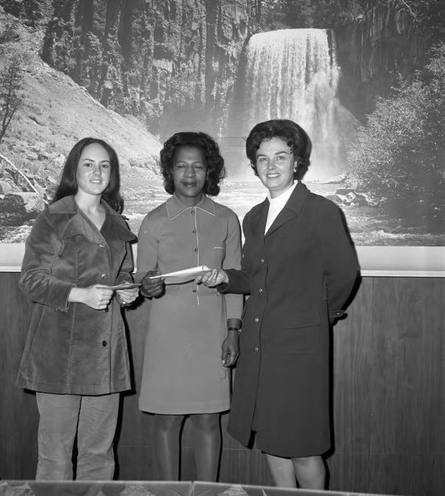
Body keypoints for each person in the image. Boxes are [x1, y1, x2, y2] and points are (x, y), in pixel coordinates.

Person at [199, 119, 359, 489]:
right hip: (260, 345)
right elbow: (255, 278)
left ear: (297, 162)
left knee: (303, 446)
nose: (271, 166)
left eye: (281, 157)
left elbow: (345, 274)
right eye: (262, 158)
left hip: (300, 349)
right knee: (271, 440)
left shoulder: (321, 211)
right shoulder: (253, 218)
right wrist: (226, 278)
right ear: (254, 165)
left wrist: (316, 316)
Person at [16, 137, 140, 480]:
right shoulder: (53, 218)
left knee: (99, 455)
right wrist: (80, 294)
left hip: (106, 354)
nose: (97, 171)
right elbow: (31, 280)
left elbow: (124, 273)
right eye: (88, 164)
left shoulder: (118, 223)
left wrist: (126, 290)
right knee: (55, 456)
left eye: (104, 165)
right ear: (74, 169)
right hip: (59, 351)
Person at [137, 131, 243, 481]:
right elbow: (143, 281)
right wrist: (148, 286)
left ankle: (207, 492)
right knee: (166, 419)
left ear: (209, 171)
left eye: (198, 166)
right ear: (170, 171)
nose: (190, 174)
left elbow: (235, 280)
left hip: (211, 330)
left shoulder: (227, 219)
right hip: (167, 332)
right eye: (181, 166)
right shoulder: (153, 221)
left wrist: (233, 331)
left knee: (208, 418)